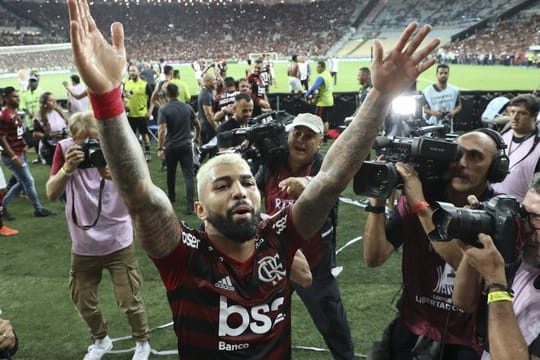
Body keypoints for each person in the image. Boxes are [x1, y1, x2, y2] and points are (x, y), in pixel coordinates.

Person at [66, 2, 439, 356]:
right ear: (199, 208)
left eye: (246, 182)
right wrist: (105, 98)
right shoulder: (182, 255)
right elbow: (140, 195)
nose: (240, 191)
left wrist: (380, 95)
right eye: (223, 185)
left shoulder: (279, 235)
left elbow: (330, 178)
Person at [362, 128, 510, 359]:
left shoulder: (497, 214)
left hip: (466, 340)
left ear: (495, 168)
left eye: (475, 157)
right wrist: (377, 201)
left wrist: (421, 207)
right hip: (413, 325)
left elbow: (467, 262)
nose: (462, 163)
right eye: (457, 154)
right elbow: (374, 257)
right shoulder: (421, 197)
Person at [45, 111, 151, 360]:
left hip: (118, 239)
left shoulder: (117, 146)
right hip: (83, 245)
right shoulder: (64, 150)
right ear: (72, 139)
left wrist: (117, 176)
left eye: (95, 139)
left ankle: (142, 342)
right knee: (83, 299)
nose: (91, 146)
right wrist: (67, 169)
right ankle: (101, 340)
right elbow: (50, 193)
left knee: (129, 299)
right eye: (83, 142)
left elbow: (144, 190)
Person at [256, 113, 355, 359]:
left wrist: (309, 183)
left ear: (320, 141)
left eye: (309, 136)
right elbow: (255, 191)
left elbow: (333, 181)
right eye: (296, 133)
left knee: (331, 321)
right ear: (288, 136)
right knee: (265, 320)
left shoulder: (324, 166)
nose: (301, 140)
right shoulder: (272, 163)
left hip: (314, 261)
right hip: (275, 258)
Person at [453, 172, 540, 359]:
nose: (526, 227)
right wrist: (475, 238)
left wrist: (496, 284)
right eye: (526, 214)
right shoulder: (524, 260)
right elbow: (464, 302)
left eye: (537, 219)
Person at [0, 86, 55, 218]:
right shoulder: (5, 115)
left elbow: (17, 134)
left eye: (17, 96)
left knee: (22, 183)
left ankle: (3, 205)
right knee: (28, 181)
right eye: (14, 97)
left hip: (19, 152)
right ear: (6, 98)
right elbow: (1, 138)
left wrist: (24, 145)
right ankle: (38, 209)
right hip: (12, 155)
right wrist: (13, 156)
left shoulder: (15, 113)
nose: (18, 99)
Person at [157, 83, 200, 214]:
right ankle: (190, 205)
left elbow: (162, 131)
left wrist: (160, 147)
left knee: (171, 173)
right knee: (189, 175)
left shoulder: (164, 109)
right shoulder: (187, 107)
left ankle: (171, 196)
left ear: (166, 94)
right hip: (186, 145)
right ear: (177, 93)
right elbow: (197, 124)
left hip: (171, 146)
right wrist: (196, 137)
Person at [492, 94, 540, 202]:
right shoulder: (502, 136)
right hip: (491, 201)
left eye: (522, 113)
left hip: (519, 208)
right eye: (512, 112)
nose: (515, 117)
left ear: (534, 116)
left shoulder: (538, 147)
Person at [123, 64, 152, 162]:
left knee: (144, 134)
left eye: (134, 71)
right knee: (130, 136)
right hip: (130, 114)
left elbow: (153, 98)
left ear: (138, 72)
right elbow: (125, 97)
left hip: (141, 114)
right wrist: (125, 104)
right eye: (130, 71)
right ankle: (133, 154)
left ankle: (148, 154)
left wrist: (149, 111)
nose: (132, 73)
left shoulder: (145, 84)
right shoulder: (127, 83)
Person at [32, 92, 69, 166]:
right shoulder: (39, 117)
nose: (54, 102)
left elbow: (67, 125)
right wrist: (50, 135)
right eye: (50, 100)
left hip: (64, 145)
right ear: (44, 103)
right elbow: (35, 134)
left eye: (54, 99)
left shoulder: (59, 112)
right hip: (51, 148)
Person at [422, 64, 461, 131]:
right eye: (441, 73)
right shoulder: (427, 91)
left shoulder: (454, 90)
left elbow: (459, 105)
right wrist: (433, 113)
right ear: (437, 74)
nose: (443, 75)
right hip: (432, 125)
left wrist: (453, 112)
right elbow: (422, 108)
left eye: (446, 73)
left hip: (448, 126)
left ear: (448, 74)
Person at [305, 61, 334, 140]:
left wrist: (307, 95)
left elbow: (313, 88)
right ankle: (325, 136)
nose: (316, 69)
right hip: (330, 100)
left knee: (319, 119)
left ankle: (320, 137)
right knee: (326, 119)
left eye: (318, 67)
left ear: (322, 67)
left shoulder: (321, 77)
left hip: (323, 102)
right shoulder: (328, 74)